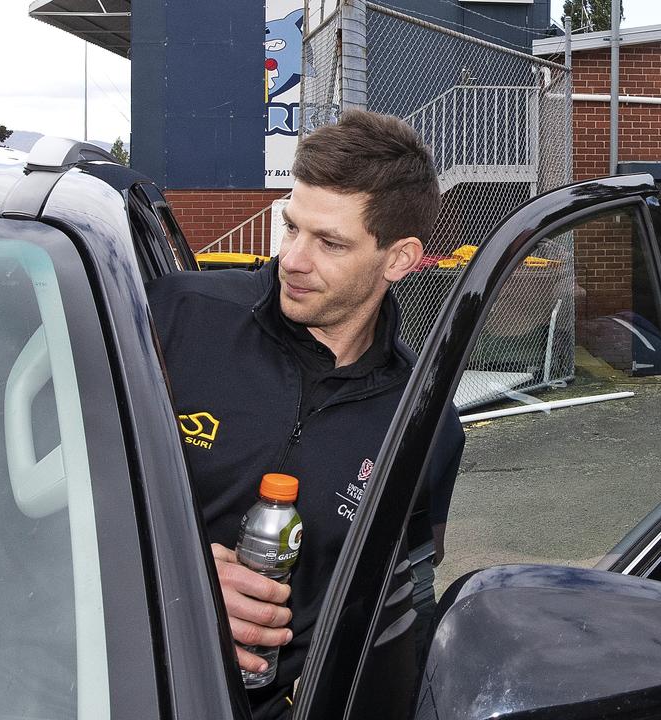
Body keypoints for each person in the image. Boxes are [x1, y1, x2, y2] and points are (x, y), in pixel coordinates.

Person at [149, 109, 464, 720]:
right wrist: (171, 573)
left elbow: (403, 598)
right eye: (291, 227)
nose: (292, 258)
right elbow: (44, 490)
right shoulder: (177, 318)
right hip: (121, 675)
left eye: (329, 243)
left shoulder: (425, 423)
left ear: (399, 259)